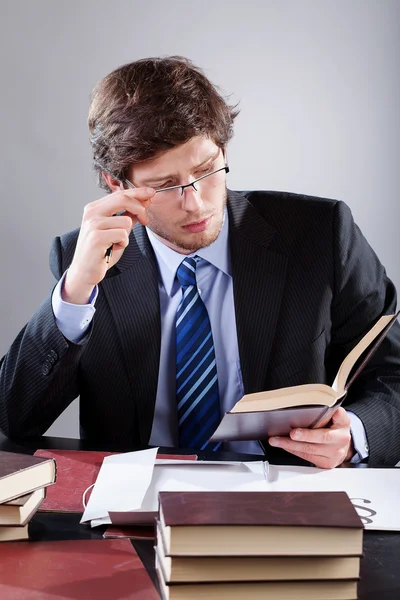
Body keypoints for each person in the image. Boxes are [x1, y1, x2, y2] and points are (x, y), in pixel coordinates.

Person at [1, 56, 399, 468]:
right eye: (165, 185)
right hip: (136, 507)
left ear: (223, 148)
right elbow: (12, 420)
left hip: (286, 497)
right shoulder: (84, 261)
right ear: (117, 184)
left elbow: (394, 373)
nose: (195, 203)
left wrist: (355, 434)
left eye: (207, 170)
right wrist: (75, 292)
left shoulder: (321, 234)